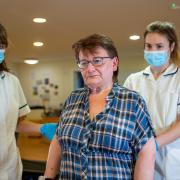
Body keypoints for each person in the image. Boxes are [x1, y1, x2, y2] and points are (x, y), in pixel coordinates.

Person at [41, 33, 156, 180]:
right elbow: (58, 141)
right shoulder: (73, 99)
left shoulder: (132, 101)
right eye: (83, 62)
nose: (90, 68)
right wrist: (47, 177)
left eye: (97, 61)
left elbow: (146, 153)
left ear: (114, 64)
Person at [124, 21, 180, 179]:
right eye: (148, 46)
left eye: (159, 46)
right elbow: (126, 120)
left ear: (171, 46)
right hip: (139, 156)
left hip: (173, 157)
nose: (153, 50)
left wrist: (154, 144)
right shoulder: (133, 81)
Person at [0, 23, 57, 179]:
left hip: (9, 169)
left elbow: (16, 124)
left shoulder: (11, 81)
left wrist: (43, 128)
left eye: (1, 46)